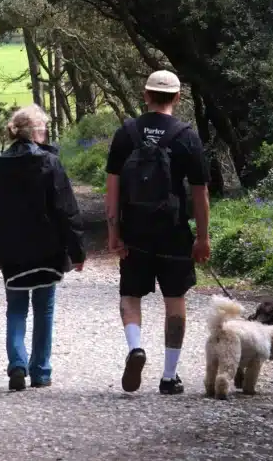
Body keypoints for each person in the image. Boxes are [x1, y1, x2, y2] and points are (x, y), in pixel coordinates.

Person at [105, 70, 211, 395]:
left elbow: (112, 191)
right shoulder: (187, 136)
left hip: (135, 231)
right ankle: (168, 376)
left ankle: (136, 347)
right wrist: (202, 238)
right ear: (178, 98)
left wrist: (114, 232)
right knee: (175, 300)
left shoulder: (126, 134)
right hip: (174, 233)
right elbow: (199, 195)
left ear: (145, 95)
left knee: (130, 295)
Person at [0, 105, 86, 391]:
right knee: (44, 309)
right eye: (43, 128)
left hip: (11, 253)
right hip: (47, 251)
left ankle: (17, 365)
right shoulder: (49, 163)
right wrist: (76, 251)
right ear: (35, 131)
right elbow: (66, 209)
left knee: (15, 309)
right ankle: (41, 371)